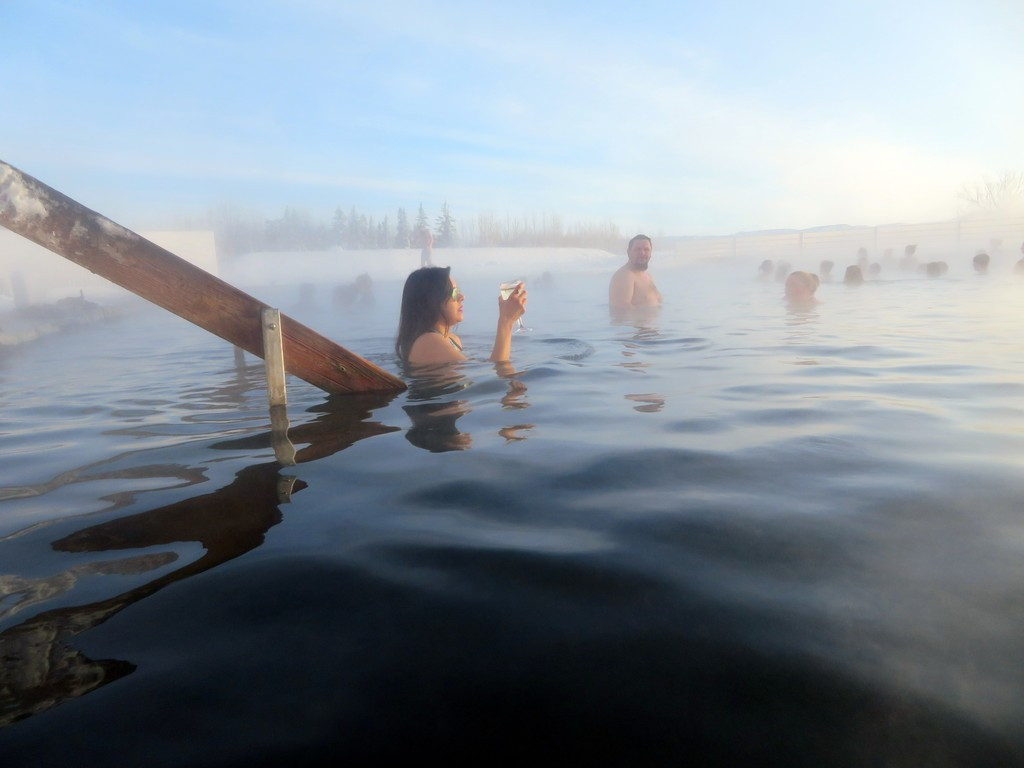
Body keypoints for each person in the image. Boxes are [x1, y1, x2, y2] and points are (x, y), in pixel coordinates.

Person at [395, 266, 527, 366]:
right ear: (432, 300)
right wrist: (506, 321)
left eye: (458, 291)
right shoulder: (428, 342)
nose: (462, 296)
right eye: (453, 293)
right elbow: (496, 372)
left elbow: (484, 368)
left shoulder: (452, 340)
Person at [609, 234, 662, 308]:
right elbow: (620, 311)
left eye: (646, 249)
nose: (642, 253)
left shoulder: (648, 276)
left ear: (651, 253)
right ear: (628, 252)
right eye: (638, 249)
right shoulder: (625, 276)